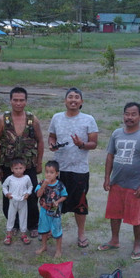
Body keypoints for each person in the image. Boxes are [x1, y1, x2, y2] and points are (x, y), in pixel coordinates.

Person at [98, 102, 140, 260]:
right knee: (114, 214)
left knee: (136, 217)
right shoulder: (116, 133)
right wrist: (106, 178)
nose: (129, 117)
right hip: (116, 183)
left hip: (135, 186)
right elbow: (110, 156)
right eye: (127, 114)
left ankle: (137, 244)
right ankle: (114, 240)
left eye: (133, 114)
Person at [48, 87, 98, 248]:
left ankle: (81, 233)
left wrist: (81, 144)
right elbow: (51, 136)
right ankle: (53, 229)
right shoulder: (56, 117)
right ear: (65, 101)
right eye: (70, 97)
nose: (73, 100)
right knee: (55, 200)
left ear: (81, 102)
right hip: (59, 170)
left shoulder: (88, 119)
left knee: (80, 203)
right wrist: (52, 144)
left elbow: (94, 143)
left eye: (77, 97)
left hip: (79, 170)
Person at [0, 87, 44, 238]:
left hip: (28, 165)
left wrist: (39, 162)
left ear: (26, 101)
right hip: (8, 165)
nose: (18, 103)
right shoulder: (3, 120)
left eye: (21, 100)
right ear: (10, 101)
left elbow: (40, 141)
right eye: (15, 100)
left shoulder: (32, 119)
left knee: (30, 195)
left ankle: (32, 224)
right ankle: (14, 224)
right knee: (9, 196)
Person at [35, 160, 68, 258]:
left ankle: (58, 250)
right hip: (44, 209)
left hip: (55, 210)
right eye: (47, 172)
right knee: (43, 228)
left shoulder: (60, 185)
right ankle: (44, 246)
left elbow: (64, 195)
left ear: (57, 174)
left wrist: (58, 202)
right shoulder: (41, 183)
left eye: (51, 172)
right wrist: (44, 185)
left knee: (56, 229)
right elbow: (38, 194)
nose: (48, 175)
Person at [1, 158, 33, 245]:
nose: (18, 171)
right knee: (11, 217)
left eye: (20, 168)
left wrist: (28, 193)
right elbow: (4, 186)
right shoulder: (10, 178)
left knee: (23, 217)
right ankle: (8, 234)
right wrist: (7, 194)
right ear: (12, 169)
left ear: (24, 168)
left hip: (23, 201)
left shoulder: (26, 178)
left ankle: (23, 234)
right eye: (16, 168)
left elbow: (30, 186)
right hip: (13, 201)